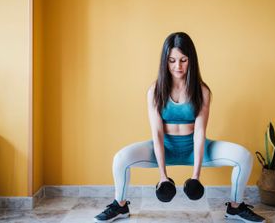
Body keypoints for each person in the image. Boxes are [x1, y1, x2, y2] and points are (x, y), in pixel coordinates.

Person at [94, 32, 266, 223]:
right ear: (165, 61)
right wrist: (162, 176)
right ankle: (120, 205)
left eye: (183, 60)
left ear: (191, 60)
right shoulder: (155, 91)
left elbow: (200, 132)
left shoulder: (202, 91)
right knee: (120, 158)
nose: (178, 66)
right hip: (164, 148)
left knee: (243, 156)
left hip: (195, 148)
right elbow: (157, 134)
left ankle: (235, 207)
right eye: (172, 60)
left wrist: (195, 176)